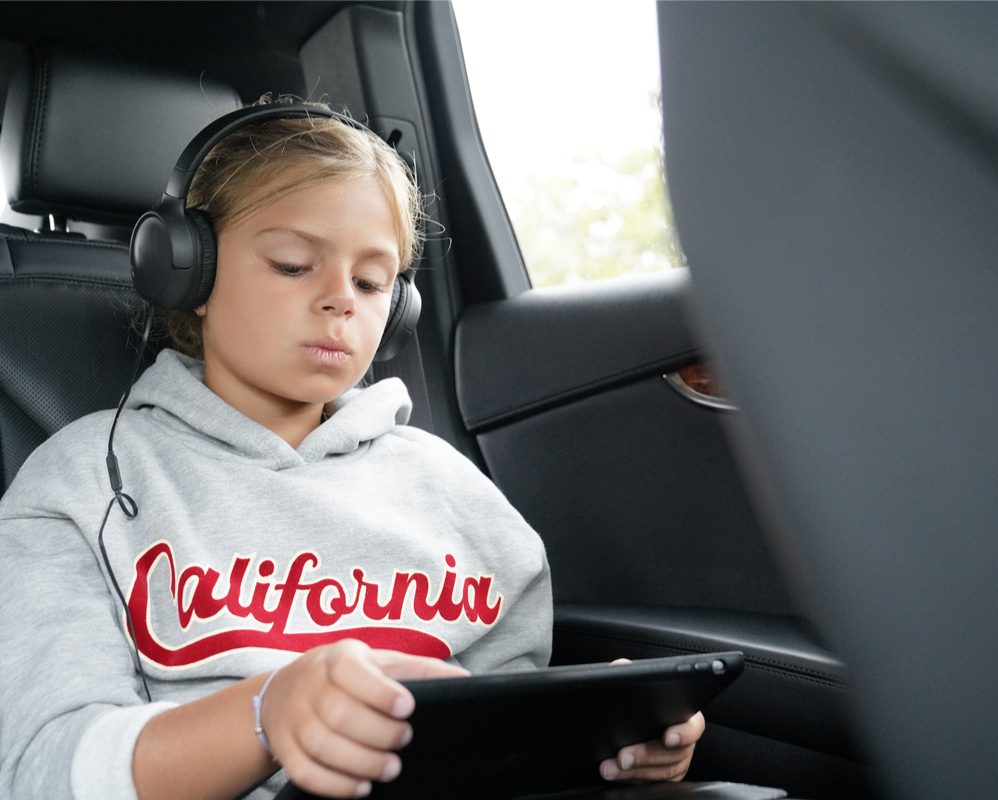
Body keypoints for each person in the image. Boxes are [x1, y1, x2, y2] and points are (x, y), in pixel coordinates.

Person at [0, 99, 704, 800]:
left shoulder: (453, 494)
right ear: (189, 272)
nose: (343, 300)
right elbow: (45, 767)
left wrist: (601, 739)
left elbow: (501, 729)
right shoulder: (85, 484)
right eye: (292, 264)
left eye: (372, 282)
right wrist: (264, 714)